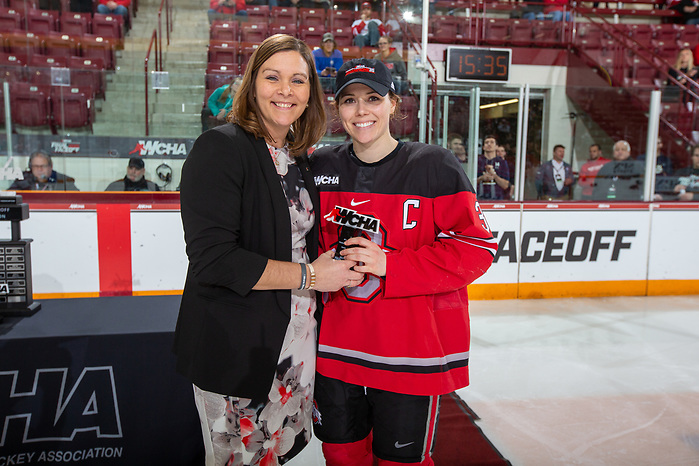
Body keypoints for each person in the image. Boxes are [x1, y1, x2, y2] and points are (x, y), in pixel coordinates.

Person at [173, 34, 363, 466]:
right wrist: (310, 277)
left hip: (294, 341)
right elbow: (214, 260)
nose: (285, 90)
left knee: (274, 457)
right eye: (272, 77)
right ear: (251, 83)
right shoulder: (220, 148)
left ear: (310, 93)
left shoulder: (297, 158)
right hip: (237, 348)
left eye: (298, 80)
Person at [311, 58, 497, 466]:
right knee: (341, 457)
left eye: (373, 99)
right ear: (336, 109)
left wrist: (391, 266)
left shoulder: (434, 165)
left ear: (394, 104)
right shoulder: (321, 166)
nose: (361, 111)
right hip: (334, 352)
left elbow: (478, 248)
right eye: (349, 101)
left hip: (407, 355)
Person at [10, 150, 78, 191]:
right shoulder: (22, 180)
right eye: (36, 166)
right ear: (31, 167)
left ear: (50, 167)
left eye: (43, 166)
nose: (40, 169)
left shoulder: (64, 181)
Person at [477, 134, 510, 200]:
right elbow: (469, 183)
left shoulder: (502, 162)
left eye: (492, 142)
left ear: (496, 147)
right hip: (479, 199)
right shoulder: (477, 161)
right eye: (487, 142)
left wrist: (494, 176)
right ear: (483, 147)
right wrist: (482, 178)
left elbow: (506, 185)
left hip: (497, 200)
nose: (489, 144)